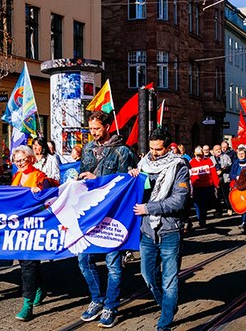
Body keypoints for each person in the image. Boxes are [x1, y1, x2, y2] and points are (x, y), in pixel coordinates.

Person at [76, 110, 137, 328]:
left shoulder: (122, 152)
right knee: (84, 259)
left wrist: (99, 180)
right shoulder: (88, 148)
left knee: (113, 264)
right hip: (90, 215)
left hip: (112, 216)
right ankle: (96, 299)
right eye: (90, 129)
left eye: (97, 129)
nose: (93, 133)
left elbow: (124, 184)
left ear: (108, 127)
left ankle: (111, 305)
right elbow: (82, 175)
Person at [131, 128, 189, 331]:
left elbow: (179, 200)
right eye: (152, 148)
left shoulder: (179, 165)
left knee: (169, 280)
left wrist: (149, 208)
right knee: (147, 276)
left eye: (159, 149)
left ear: (168, 146)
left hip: (170, 230)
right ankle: (168, 305)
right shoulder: (144, 163)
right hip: (147, 230)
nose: (154, 153)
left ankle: (164, 322)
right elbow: (138, 191)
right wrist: (134, 177)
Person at [9, 145, 53, 321]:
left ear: (31, 159)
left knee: (28, 264)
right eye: (17, 160)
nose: (20, 163)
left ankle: (27, 305)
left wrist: (39, 193)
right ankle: (39, 288)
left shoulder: (39, 177)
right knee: (27, 263)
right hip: (19, 226)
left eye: (23, 159)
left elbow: (49, 198)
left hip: (35, 227)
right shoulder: (17, 176)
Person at [189, 146, 219, 228]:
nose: (199, 157)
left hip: (207, 186)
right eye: (197, 155)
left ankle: (203, 218)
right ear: (195, 154)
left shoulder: (208, 161)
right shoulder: (191, 163)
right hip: (196, 187)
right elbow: (189, 176)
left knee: (204, 204)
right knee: (197, 204)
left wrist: (216, 184)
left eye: (200, 155)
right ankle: (201, 220)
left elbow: (213, 173)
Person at [213, 144, 233, 216]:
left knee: (226, 195)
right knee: (216, 196)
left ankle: (229, 208)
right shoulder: (211, 159)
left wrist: (222, 170)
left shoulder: (226, 156)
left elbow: (229, 166)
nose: (218, 150)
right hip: (216, 179)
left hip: (225, 178)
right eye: (216, 149)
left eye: (219, 149)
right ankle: (219, 211)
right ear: (213, 151)